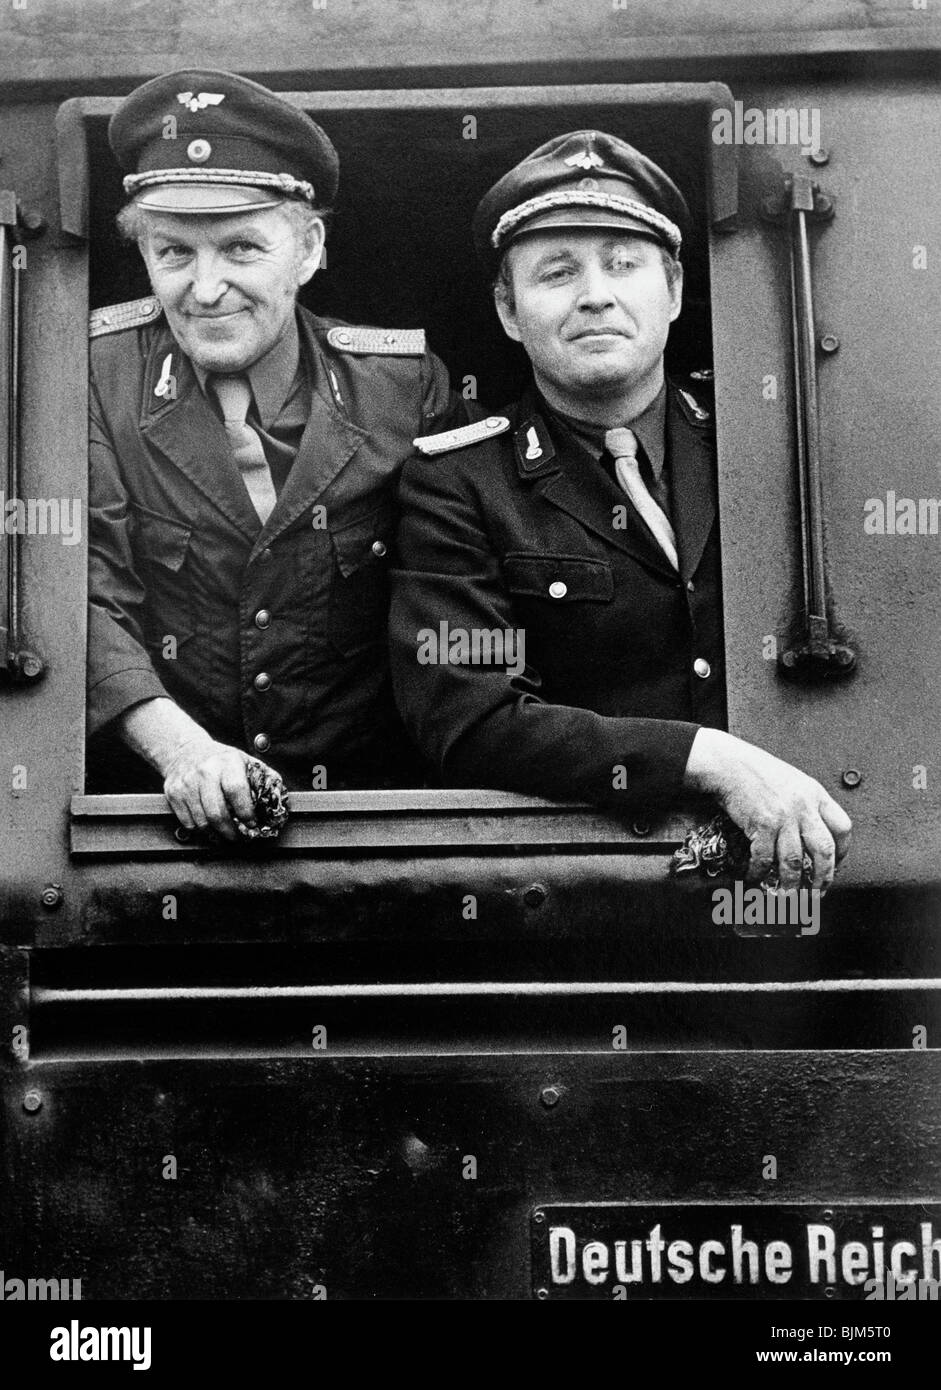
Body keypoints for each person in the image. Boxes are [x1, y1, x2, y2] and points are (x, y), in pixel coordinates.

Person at [390, 131, 851, 892]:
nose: (594, 294)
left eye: (622, 263)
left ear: (671, 288)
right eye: (557, 272)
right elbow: (470, 719)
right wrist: (706, 758)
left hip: (810, 862)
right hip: (593, 879)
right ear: (508, 310)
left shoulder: (768, 436)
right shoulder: (457, 482)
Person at [88, 68, 466, 839]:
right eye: (173, 252)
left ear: (308, 250)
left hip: (375, 823)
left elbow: (456, 594)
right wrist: (183, 753)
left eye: (241, 247)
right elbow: (85, 594)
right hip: (150, 824)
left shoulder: (402, 387)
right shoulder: (96, 375)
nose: (205, 287)